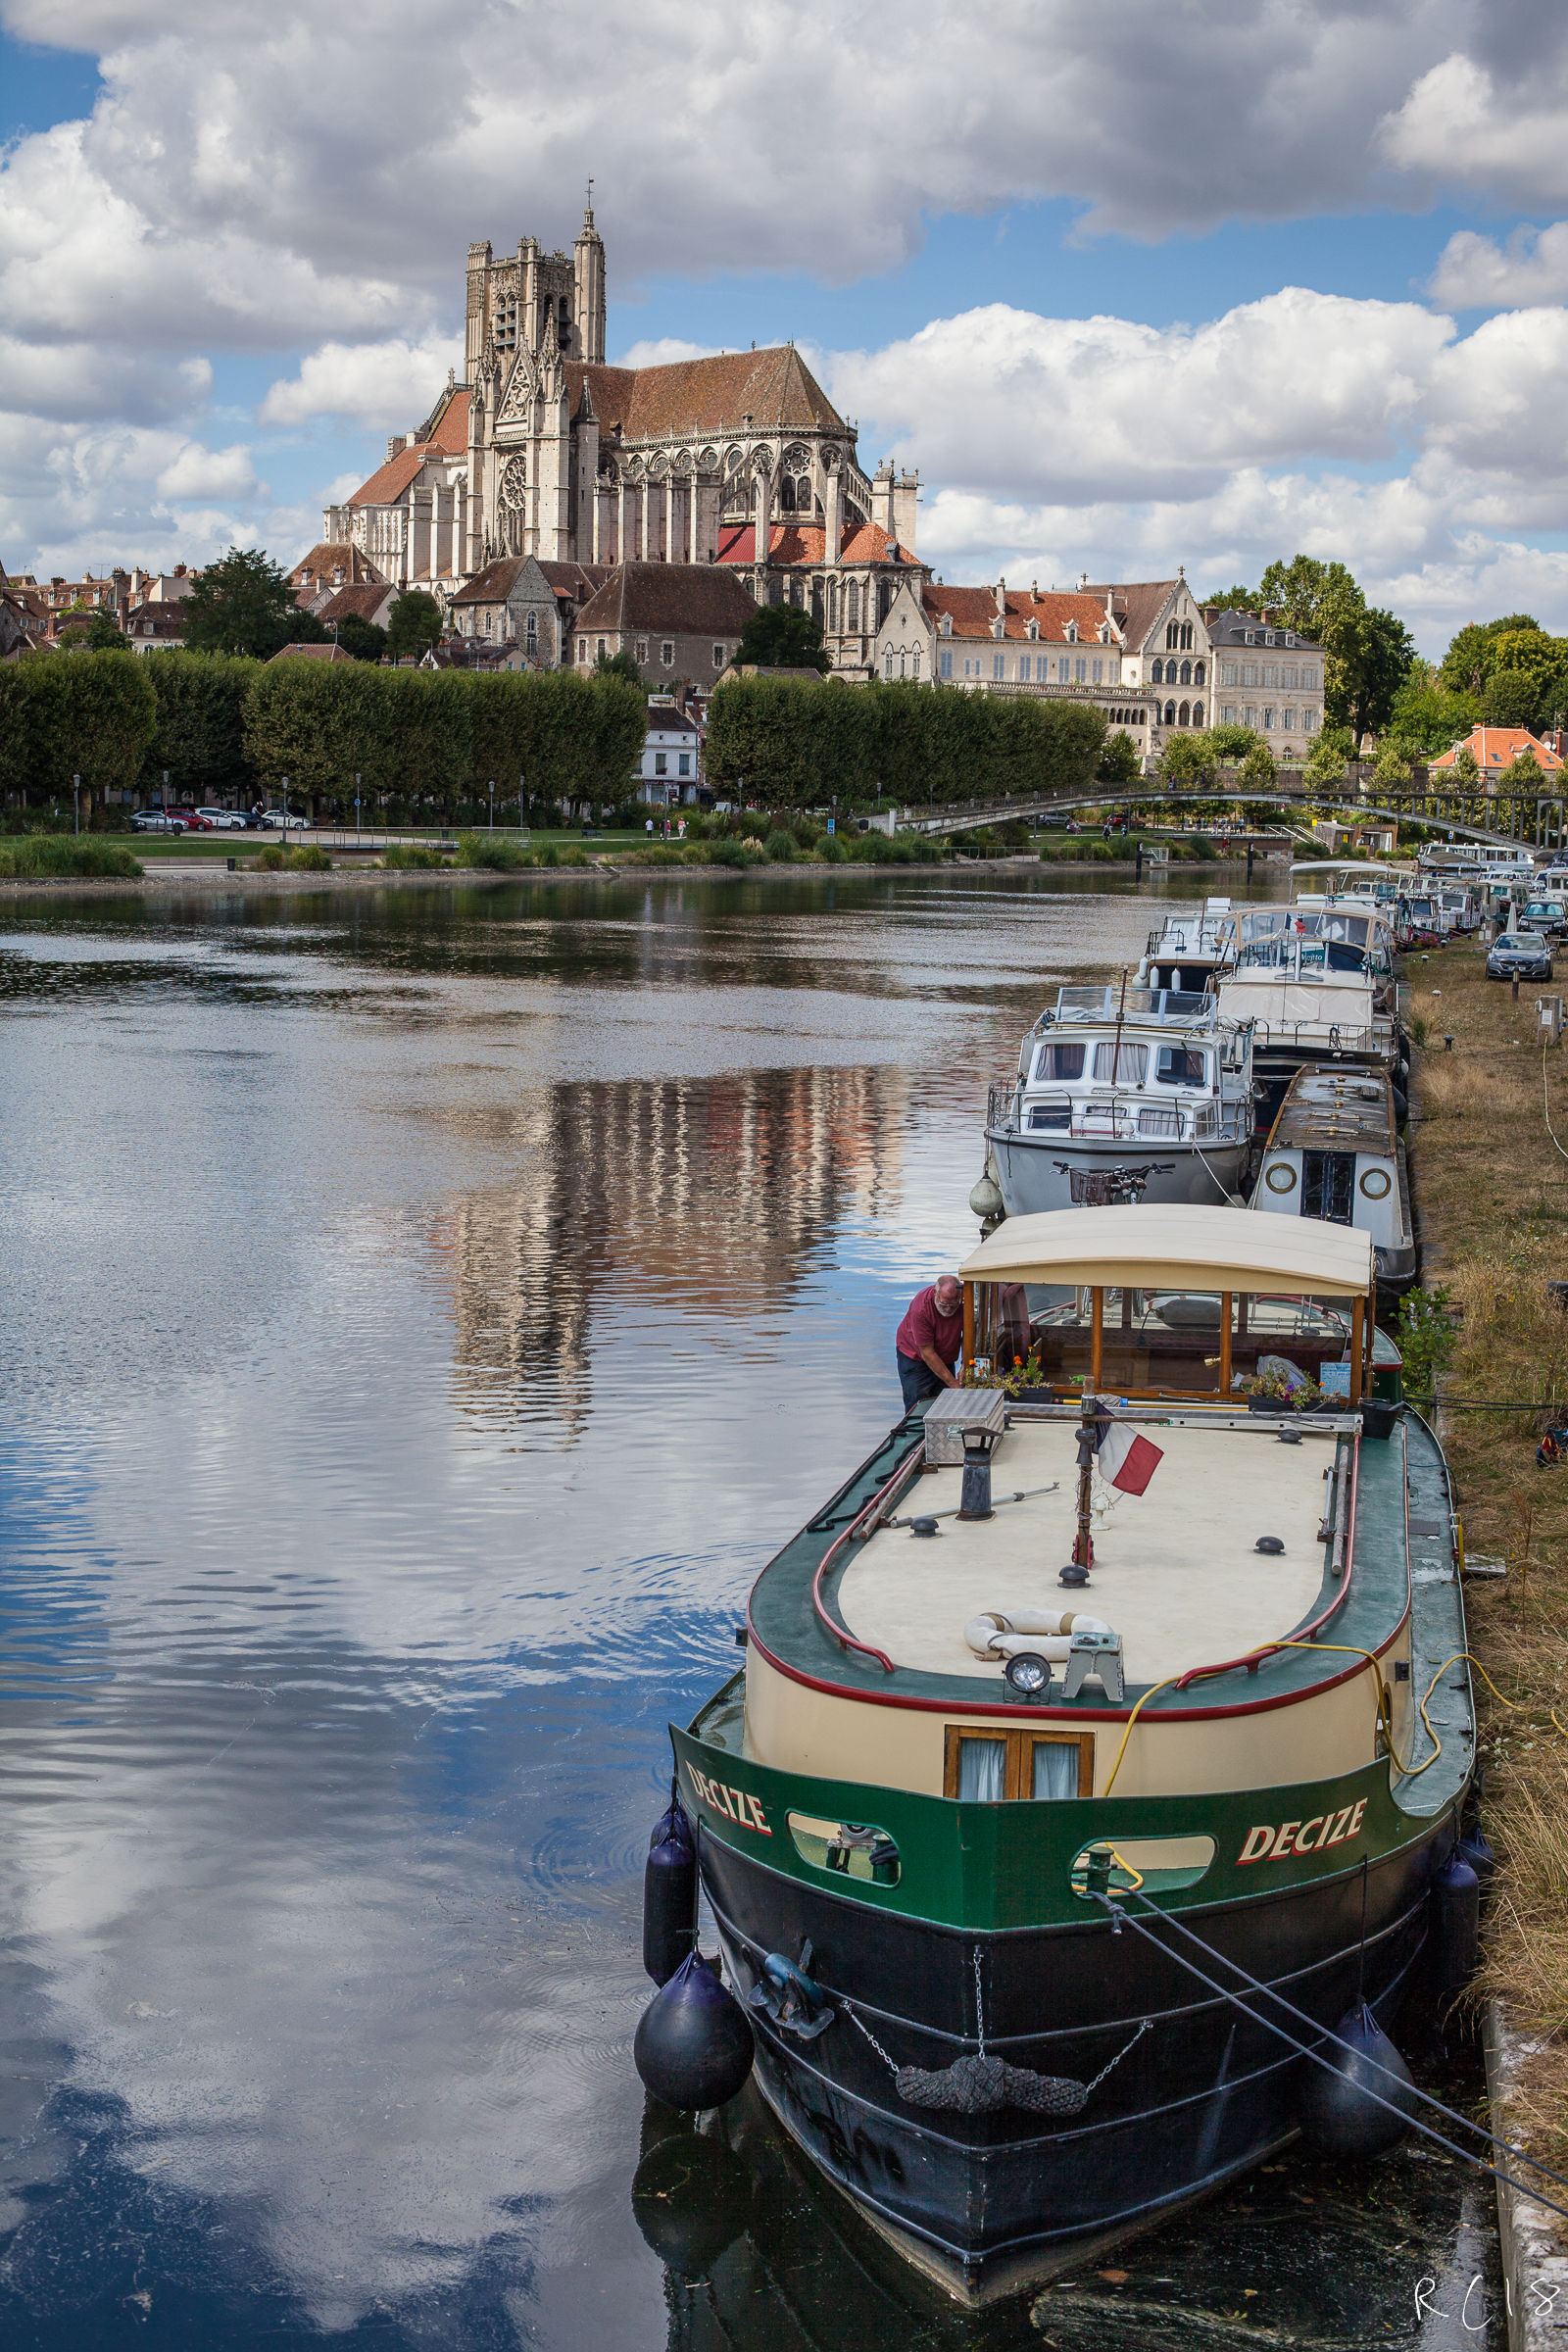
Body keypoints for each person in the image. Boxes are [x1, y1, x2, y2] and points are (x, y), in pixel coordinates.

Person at [895, 1275, 965, 1410]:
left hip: (946, 1355)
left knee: (946, 1402)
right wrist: (954, 1385)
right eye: (944, 1304)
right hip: (915, 1358)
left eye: (953, 1305)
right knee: (918, 1403)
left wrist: (965, 1363)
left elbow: (968, 1334)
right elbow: (927, 1353)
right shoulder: (921, 1309)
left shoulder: (965, 1300)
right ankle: (916, 1428)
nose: (949, 1309)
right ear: (935, 1294)